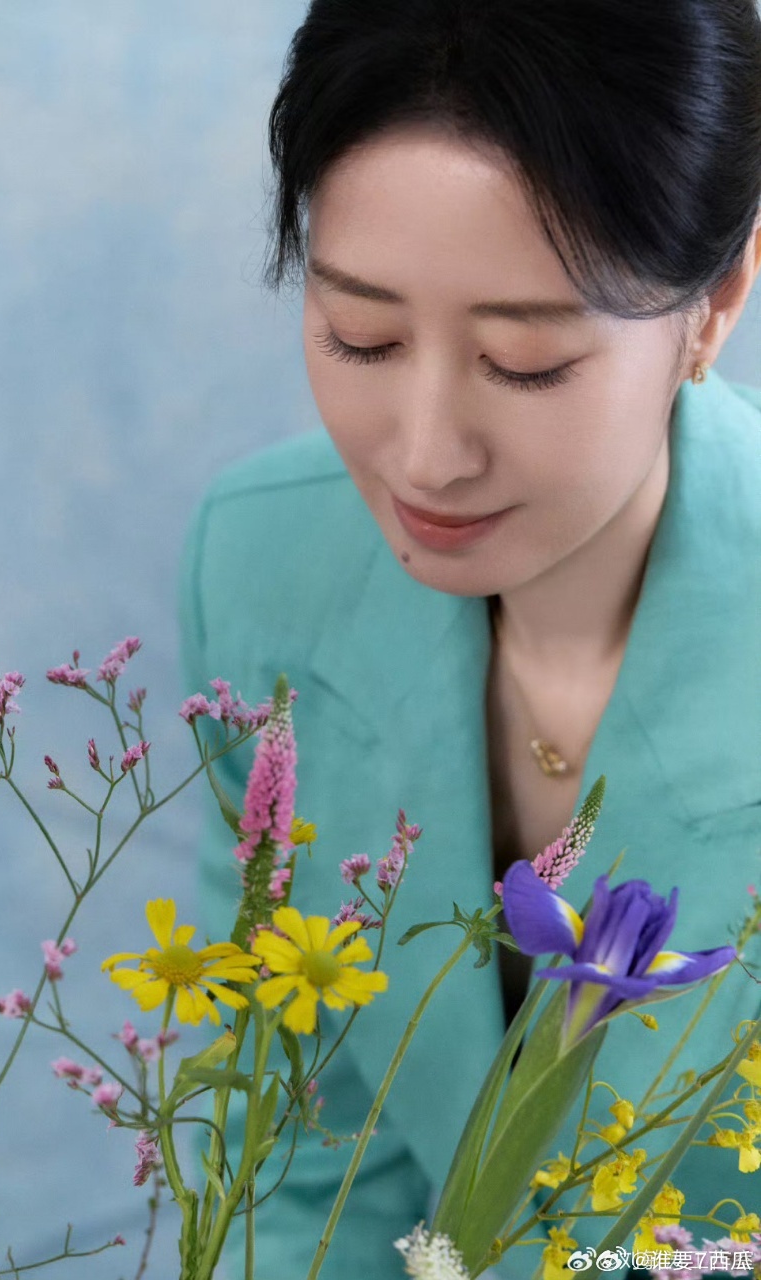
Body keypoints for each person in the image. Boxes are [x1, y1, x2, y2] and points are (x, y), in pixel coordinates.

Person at [179, 1, 761, 1276]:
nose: (425, 455)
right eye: (361, 335)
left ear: (712, 303)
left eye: (523, 359)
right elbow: (296, 1148)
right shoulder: (261, 561)